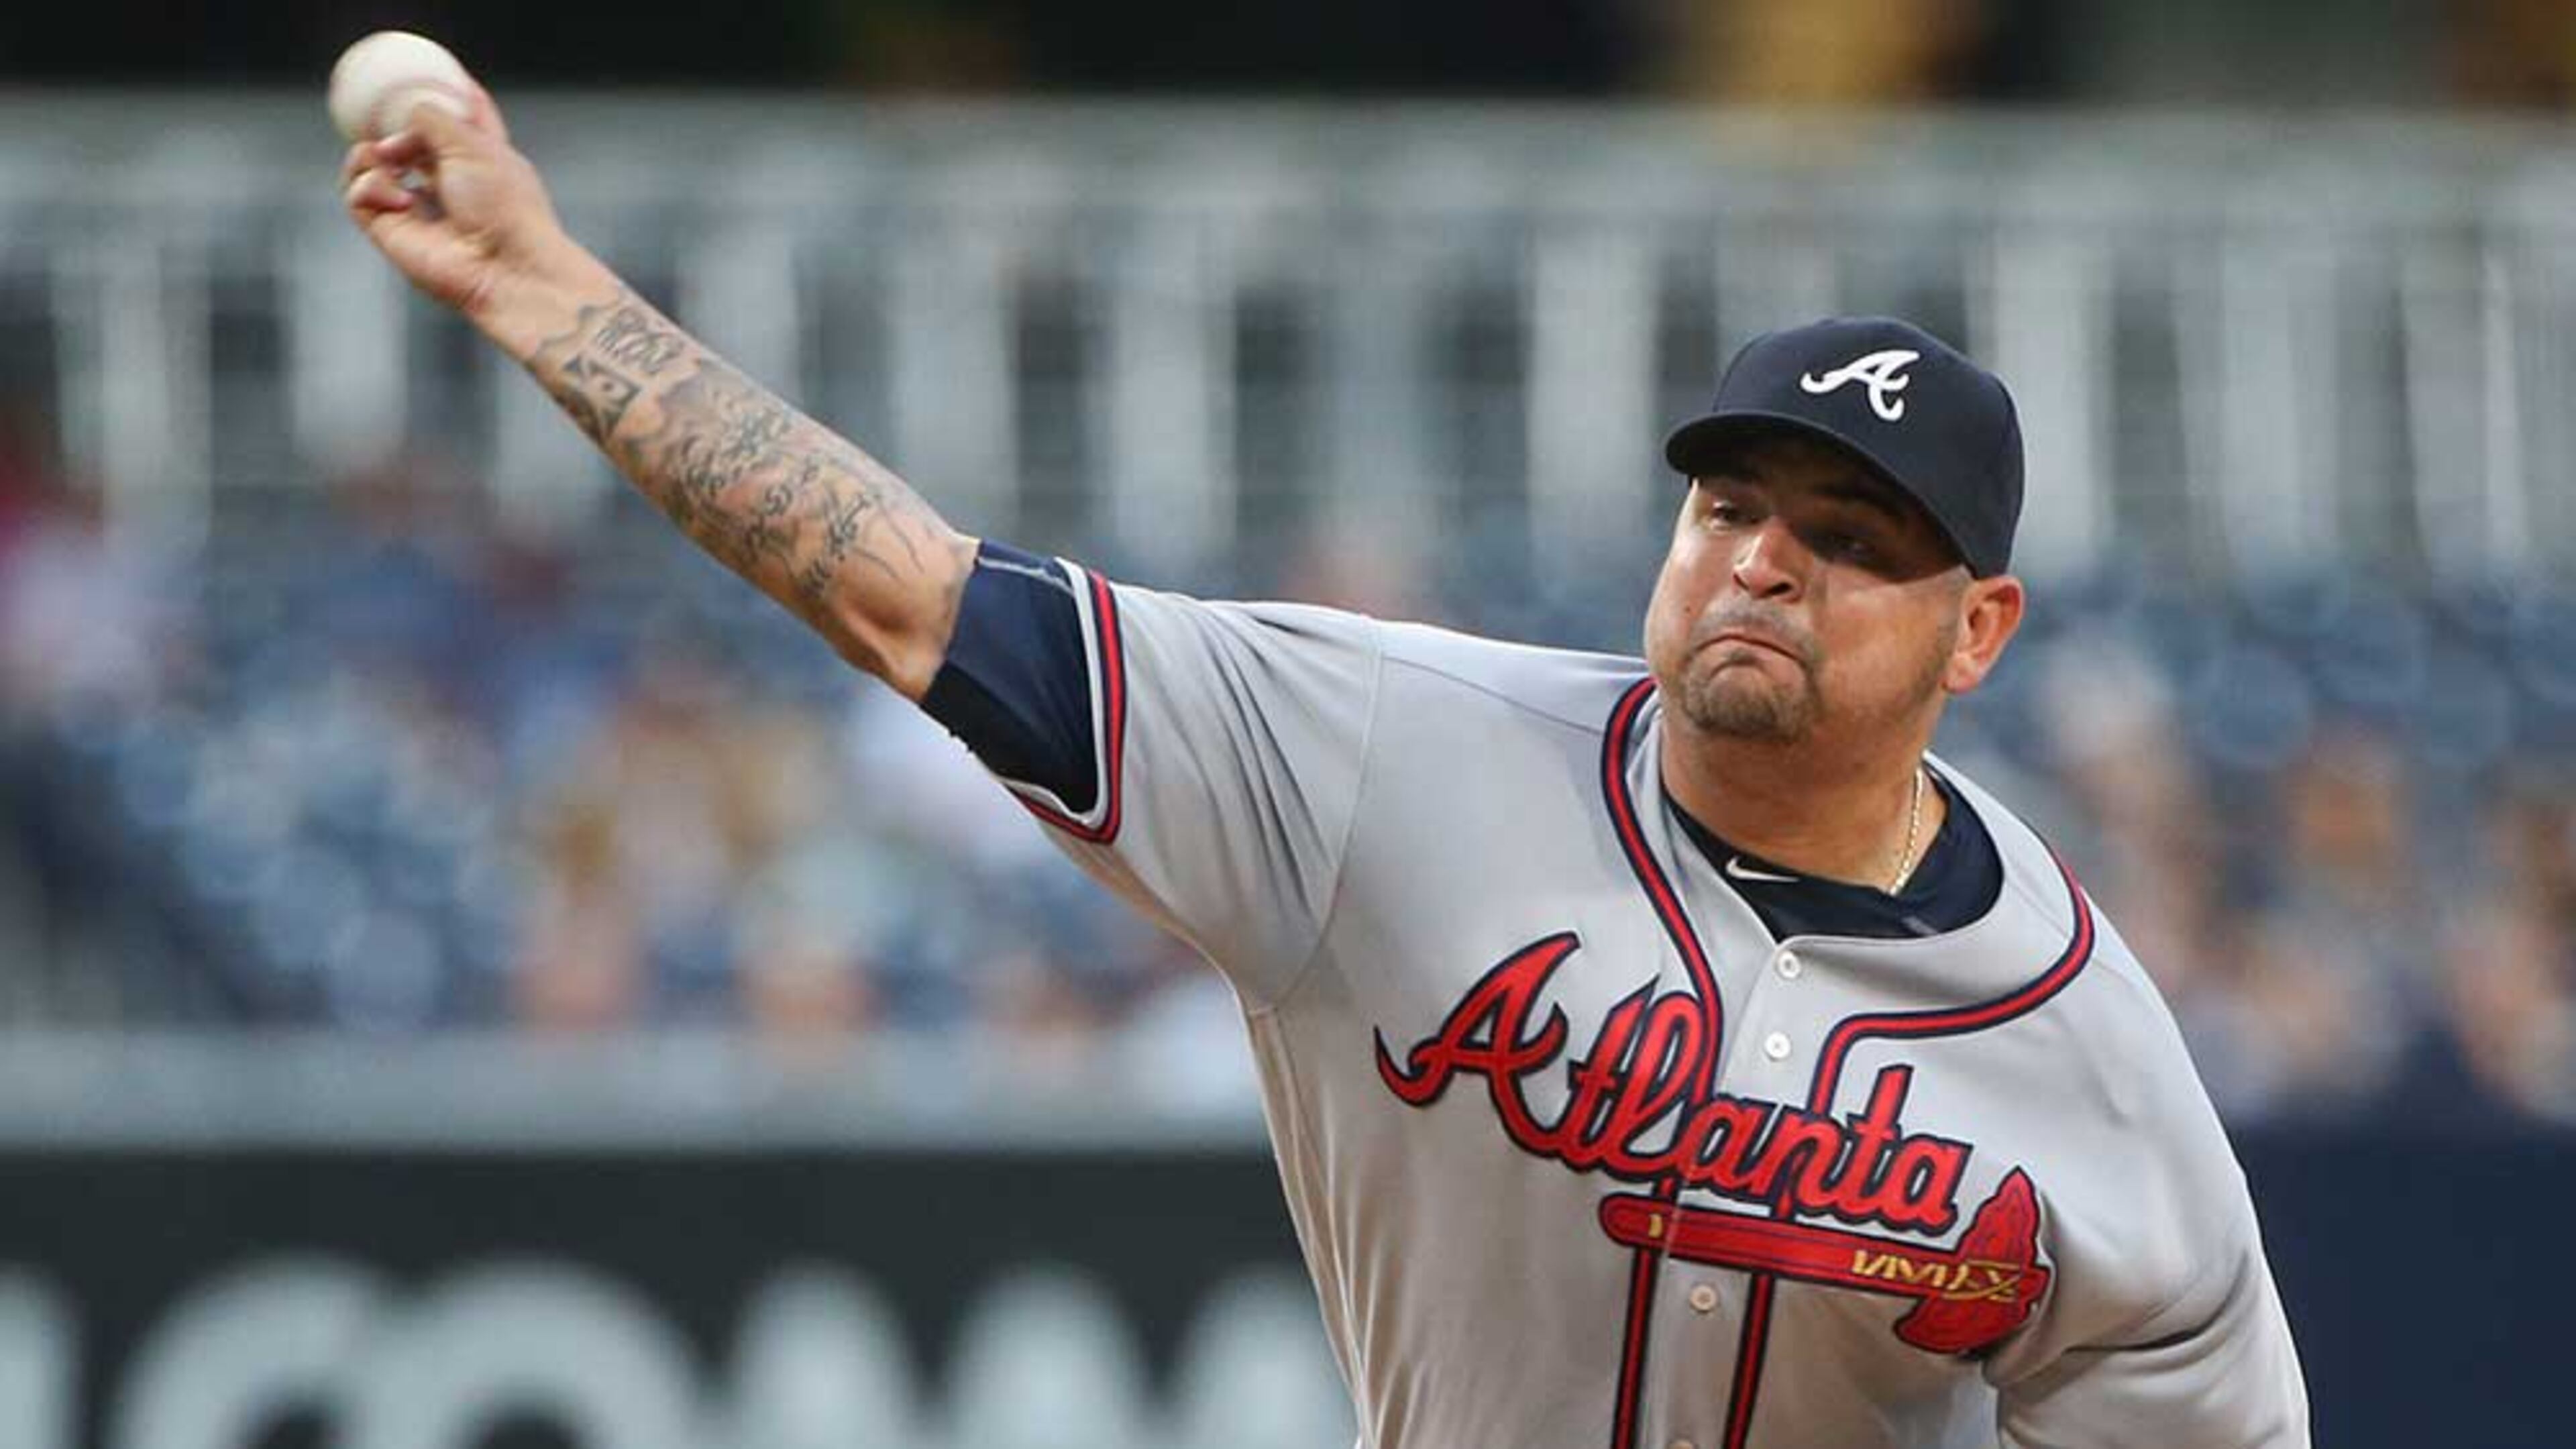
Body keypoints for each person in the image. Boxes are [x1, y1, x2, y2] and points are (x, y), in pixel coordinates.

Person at [340, 86, 2310, 1449]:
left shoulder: (2096, 1063)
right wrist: (538, 287)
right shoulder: (1384, 756)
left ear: (1981, 633)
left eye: (1857, 535)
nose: (1766, 556)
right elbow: (911, 597)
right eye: (1729, 501)